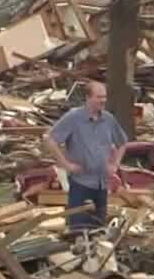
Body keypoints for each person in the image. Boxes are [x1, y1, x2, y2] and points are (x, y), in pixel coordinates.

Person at [45, 81, 127, 231]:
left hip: (102, 185)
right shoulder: (74, 118)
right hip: (80, 185)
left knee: (99, 230)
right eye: (98, 97)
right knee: (78, 231)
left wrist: (115, 164)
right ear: (88, 98)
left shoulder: (108, 120)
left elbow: (122, 143)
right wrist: (65, 165)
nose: (103, 100)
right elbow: (50, 139)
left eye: (104, 97)